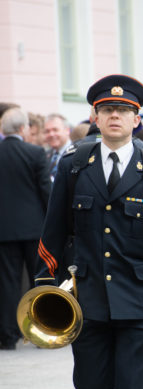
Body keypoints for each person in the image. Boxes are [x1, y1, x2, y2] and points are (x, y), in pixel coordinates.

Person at [34, 74, 143, 389]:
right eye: (107, 109)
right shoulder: (74, 165)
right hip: (88, 299)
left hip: (138, 299)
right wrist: (44, 283)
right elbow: (53, 229)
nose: (114, 116)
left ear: (136, 119)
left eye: (123, 110)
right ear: (95, 117)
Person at [0, 108, 51, 350]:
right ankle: (44, 330)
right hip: (34, 228)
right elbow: (45, 191)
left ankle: (8, 336)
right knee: (39, 279)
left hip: (4, 230)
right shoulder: (35, 152)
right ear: (23, 129)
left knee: (7, 282)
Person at [44, 113, 72, 181]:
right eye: (47, 131)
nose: (51, 134)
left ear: (67, 130)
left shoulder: (77, 153)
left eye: (55, 130)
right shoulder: (44, 155)